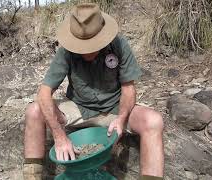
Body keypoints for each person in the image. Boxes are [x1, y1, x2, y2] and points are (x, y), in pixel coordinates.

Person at [23, 3, 164, 180]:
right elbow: (44, 92)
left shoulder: (119, 45)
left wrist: (121, 119)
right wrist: (59, 136)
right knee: (34, 111)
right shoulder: (66, 51)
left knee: (154, 121)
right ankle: (32, 175)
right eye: (81, 45)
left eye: (91, 45)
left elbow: (129, 88)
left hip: (115, 109)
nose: (85, 51)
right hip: (79, 108)